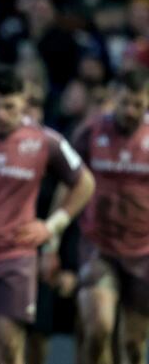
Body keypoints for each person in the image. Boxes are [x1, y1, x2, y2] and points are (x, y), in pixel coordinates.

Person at [0, 66, 94, 364]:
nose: (1, 115)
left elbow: (85, 182)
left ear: (23, 102)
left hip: (15, 256)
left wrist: (52, 226)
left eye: (9, 107)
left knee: (7, 346)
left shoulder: (45, 140)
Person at [74, 70, 149, 364]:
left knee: (132, 344)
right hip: (99, 246)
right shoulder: (91, 132)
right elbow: (70, 184)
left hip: (143, 252)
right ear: (113, 100)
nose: (130, 111)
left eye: (138, 105)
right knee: (98, 329)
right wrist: (54, 243)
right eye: (125, 103)